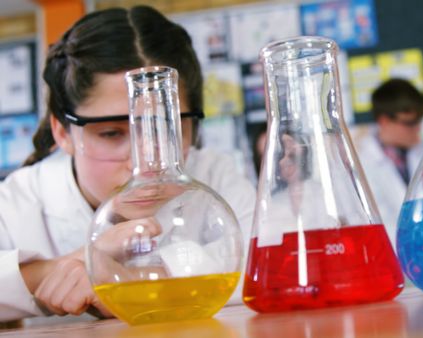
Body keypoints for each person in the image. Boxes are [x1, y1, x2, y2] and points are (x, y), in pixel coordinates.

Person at [0, 6, 255, 322]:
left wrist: (136, 283)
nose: (145, 165)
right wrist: (58, 270)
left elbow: (273, 263)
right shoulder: (17, 204)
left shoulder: (214, 174)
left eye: (165, 128)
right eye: (111, 133)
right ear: (62, 132)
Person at [356, 78, 423, 248]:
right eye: (409, 123)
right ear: (384, 121)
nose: (418, 129)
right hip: (385, 258)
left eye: (418, 122)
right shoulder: (360, 161)